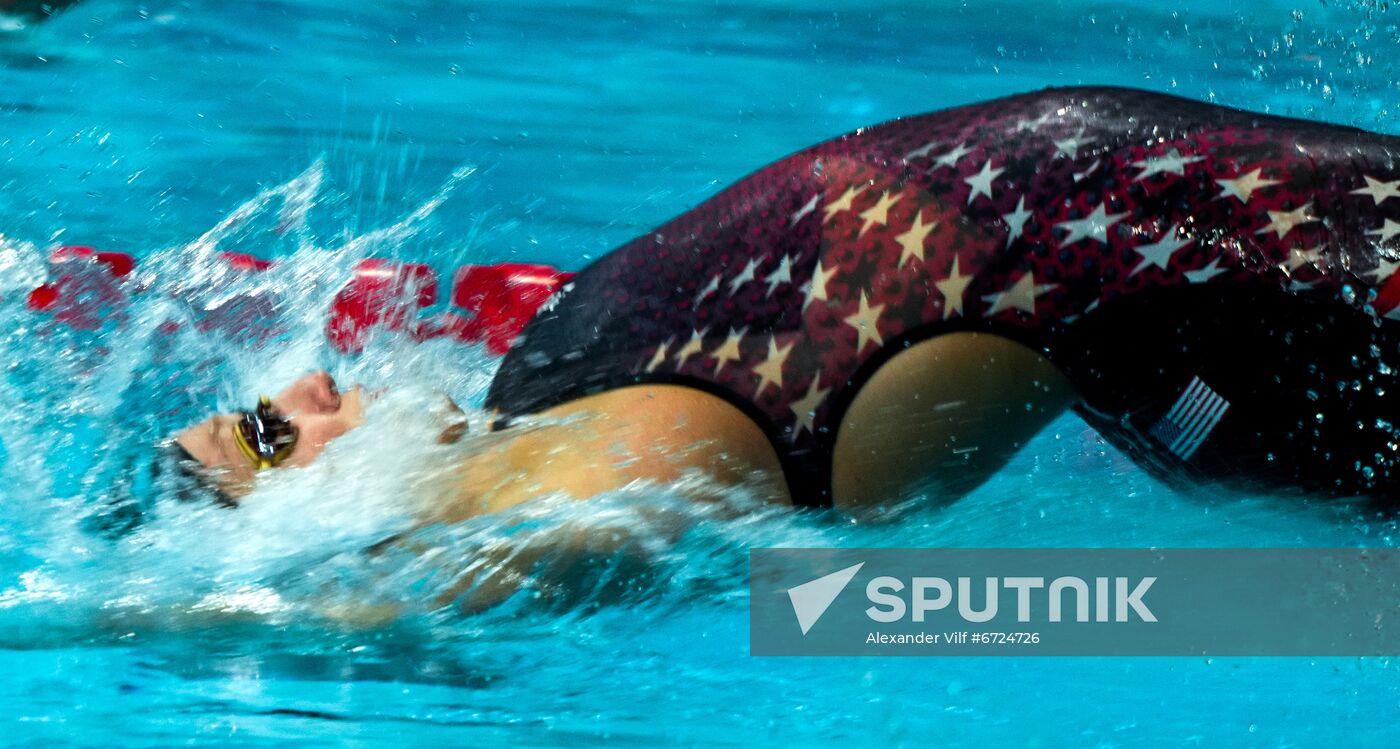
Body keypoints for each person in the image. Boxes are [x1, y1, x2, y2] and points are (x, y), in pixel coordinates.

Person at [172, 86, 1400, 518]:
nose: (306, 382)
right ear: (309, 517)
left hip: (1140, 260)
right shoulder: (562, 500)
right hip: (1145, 257)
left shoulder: (524, 406)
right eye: (272, 433)